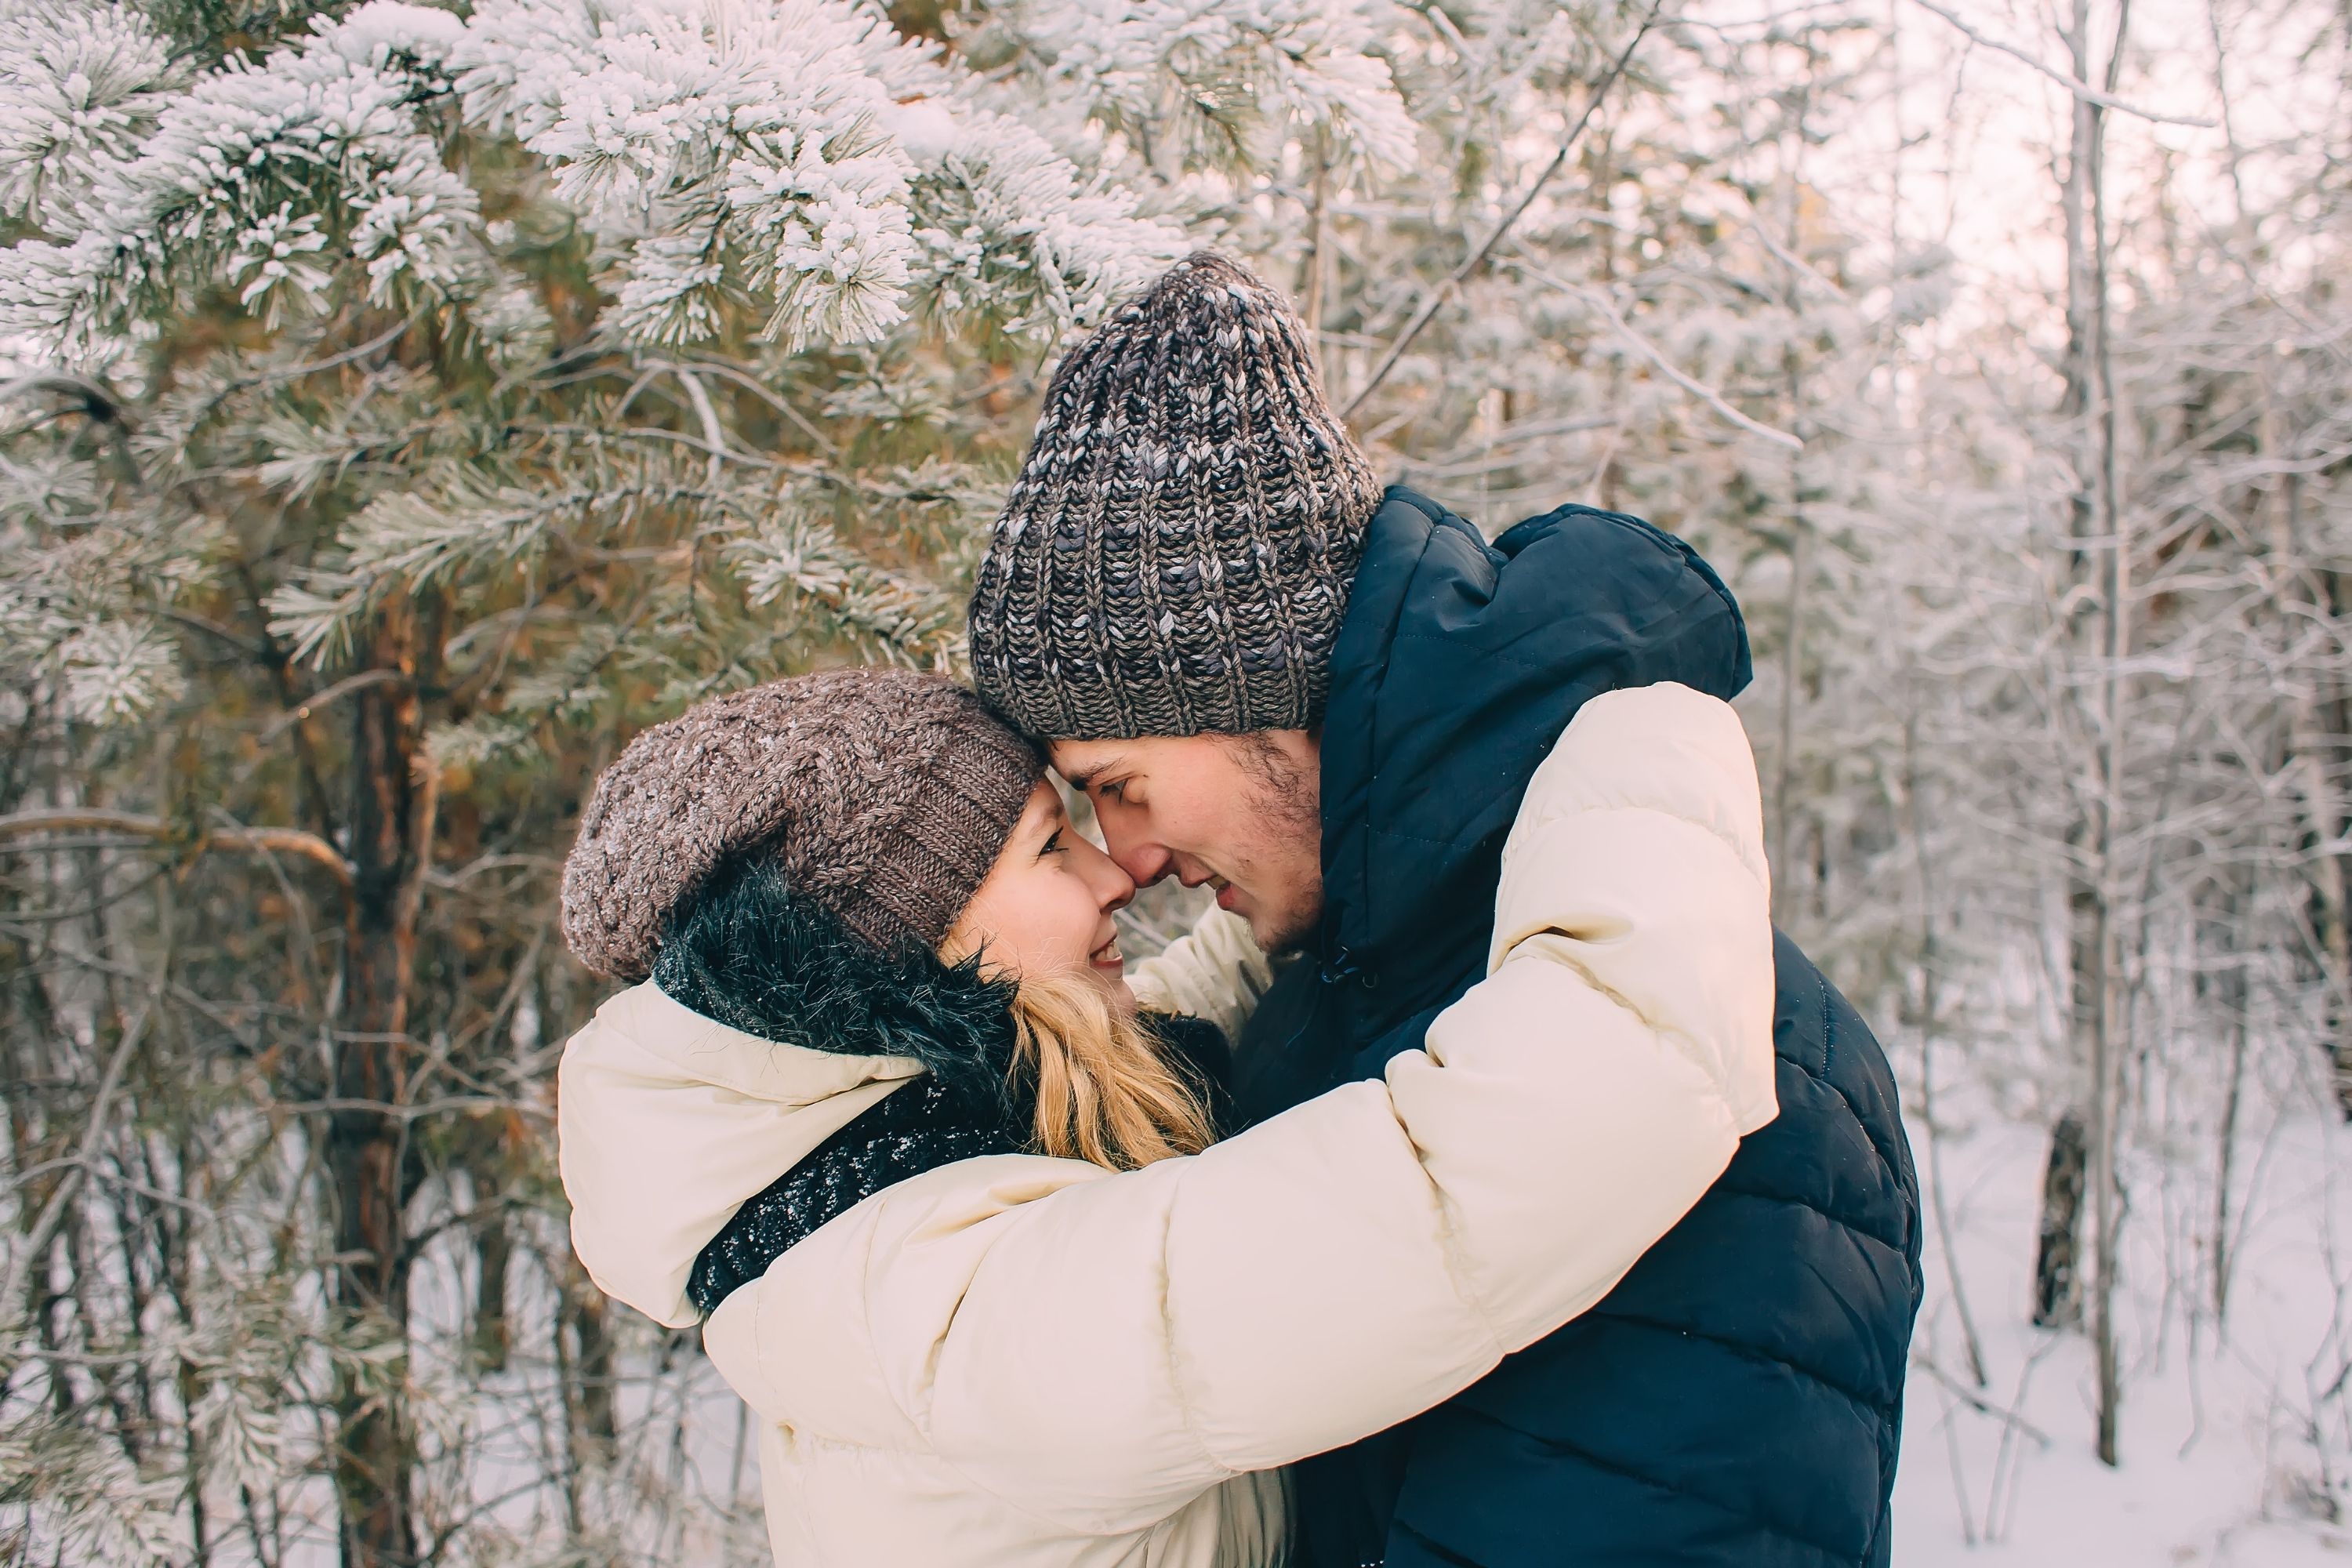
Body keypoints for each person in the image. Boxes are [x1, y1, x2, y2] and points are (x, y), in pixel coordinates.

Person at [967, 251, 1926, 1568]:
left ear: (1258, 691)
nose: (1124, 861)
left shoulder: (1683, 1063)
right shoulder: (1351, 977)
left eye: (1118, 786)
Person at [555, 666, 1778, 1566]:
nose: (1114, 871)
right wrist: (1651, 735)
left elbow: (1179, 1017)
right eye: (1050, 849)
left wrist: (1296, 876)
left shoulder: (877, 1172)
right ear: (905, 954)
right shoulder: (955, 1310)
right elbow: (1539, 1142)